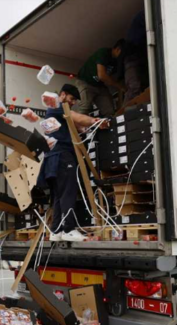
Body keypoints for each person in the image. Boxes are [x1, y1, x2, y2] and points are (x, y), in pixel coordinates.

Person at [41, 84, 108, 242]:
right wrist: (95, 121)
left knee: (59, 196)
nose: (72, 102)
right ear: (63, 94)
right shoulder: (57, 106)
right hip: (63, 156)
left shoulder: (54, 112)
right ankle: (68, 229)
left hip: (52, 159)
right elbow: (76, 117)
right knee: (68, 192)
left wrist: (86, 128)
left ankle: (56, 231)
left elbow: (75, 125)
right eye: (71, 99)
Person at [74, 40, 125, 116]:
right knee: (84, 107)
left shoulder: (116, 62)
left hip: (99, 85)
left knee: (109, 111)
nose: (123, 57)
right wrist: (120, 86)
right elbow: (102, 75)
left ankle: (110, 123)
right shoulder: (104, 52)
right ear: (118, 49)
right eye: (123, 54)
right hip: (85, 82)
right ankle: (78, 123)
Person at [123, 11, 149, 102]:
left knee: (142, 86)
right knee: (135, 87)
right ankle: (126, 110)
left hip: (140, 58)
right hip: (133, 57)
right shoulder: (144, 16)